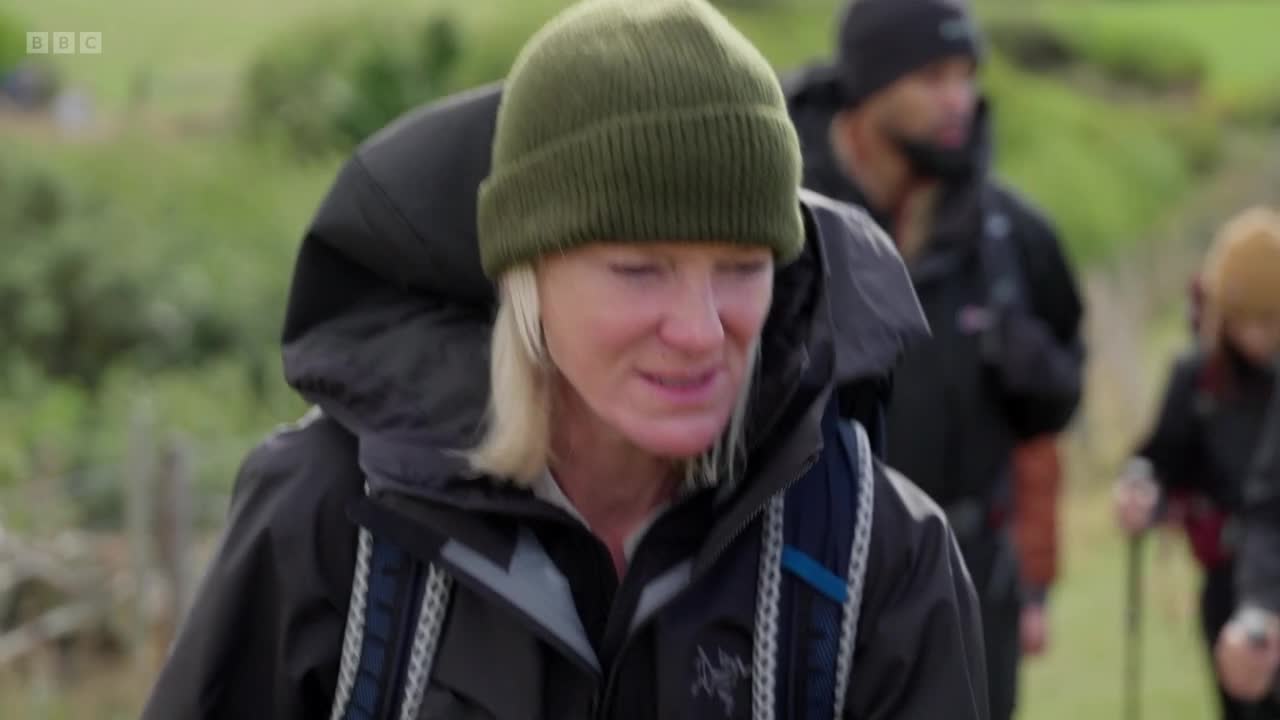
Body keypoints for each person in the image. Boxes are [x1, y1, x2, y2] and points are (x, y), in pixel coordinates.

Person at [140, 1, 990, 718]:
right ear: (526, 276)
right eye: (637, 270)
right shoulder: (327, 521)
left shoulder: (876, 556)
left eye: (741, 268)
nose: (699, 331)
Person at [783, 0, 1085, 716]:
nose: (961, 99)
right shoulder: (782, 224)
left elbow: (1061, 393)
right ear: (867, 83)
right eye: (932, 76)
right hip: (808, 568)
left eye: (967, 75)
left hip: (971, 576)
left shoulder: (1015, 235)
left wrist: (1039, 370)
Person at [1116, 207, 1280, 719]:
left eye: (1272, 318)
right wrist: (1142, 488)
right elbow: (1160, 459)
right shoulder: (1198, 380)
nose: (1261, 335)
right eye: (1249, 320)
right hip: (1230, 578)